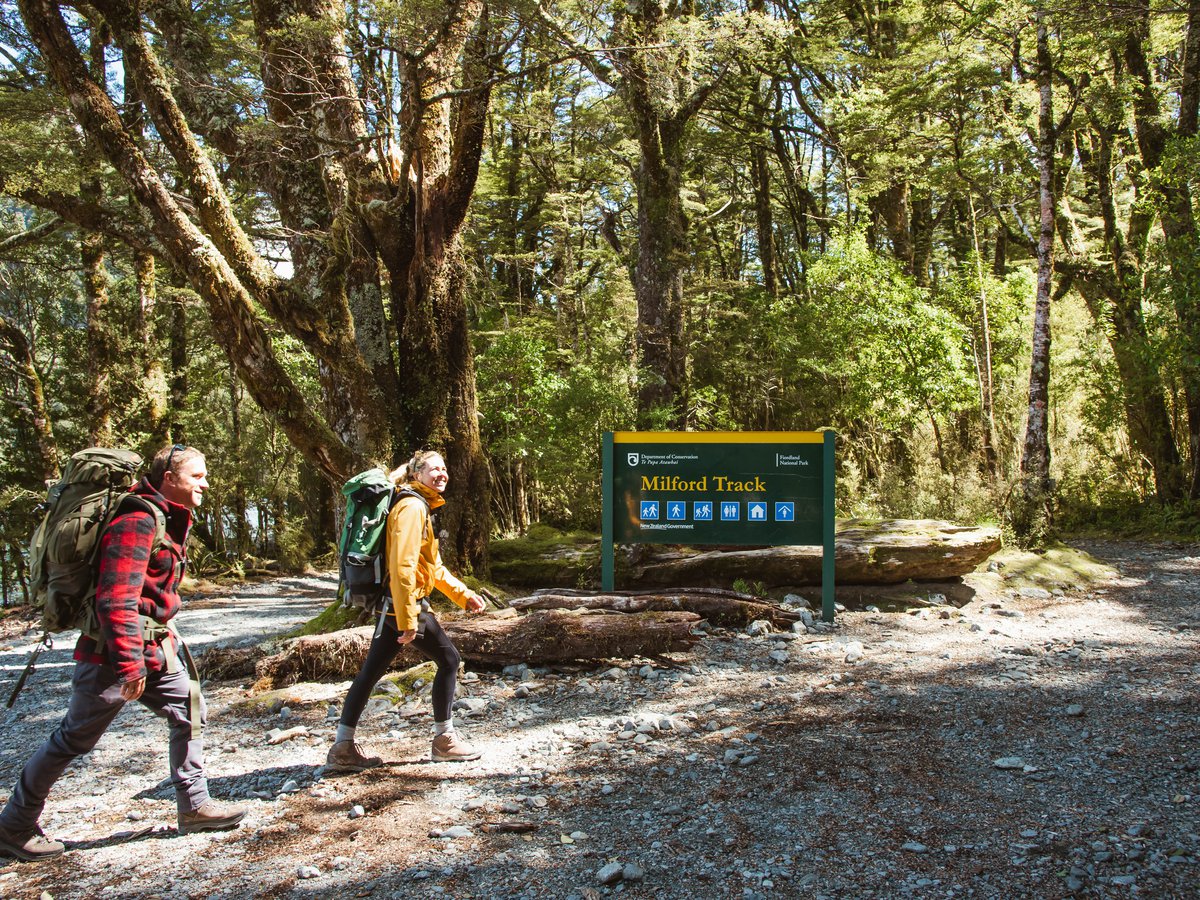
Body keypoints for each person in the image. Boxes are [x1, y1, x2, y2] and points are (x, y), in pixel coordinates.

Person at [0, 444, 247, 862]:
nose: (205, 483)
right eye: (198, 476)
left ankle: (195, 806)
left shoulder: (168, 517)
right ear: (170, 477)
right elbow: (115, 600)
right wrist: (130, 666)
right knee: (74, 739)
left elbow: (152, 594)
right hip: (112, 657)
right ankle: (13, 825)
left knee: (191, 710)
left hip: (155, 646)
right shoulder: (136, 520)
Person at [327, 449, 487, 771]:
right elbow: (402, 566)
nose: (442, 474)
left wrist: (464, 595)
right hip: (404, 605)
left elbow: (433, 568)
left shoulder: (419, 505)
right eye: (434, 469)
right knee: (449, 660)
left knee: (371, 672)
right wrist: (408, 617)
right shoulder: (413, 507)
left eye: (444, 468)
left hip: (396, 606)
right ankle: (445, 740)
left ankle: (342, 747)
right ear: (417, 474)